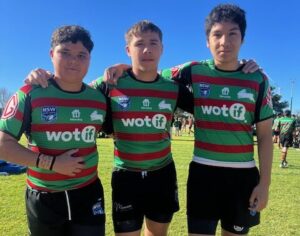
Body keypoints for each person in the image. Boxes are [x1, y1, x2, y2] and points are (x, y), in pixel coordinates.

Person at [103, 4, 273, 236]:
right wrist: (123, 66)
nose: (225, 42)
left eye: (232, 34)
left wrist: (264, 185)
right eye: (217, 35)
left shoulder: (258, 79)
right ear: (207, 41)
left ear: (242, 38)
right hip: (202, 172)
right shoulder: (193, 70)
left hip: (242, 176)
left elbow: (265, 136)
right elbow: (149, 73)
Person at [24, 20, 193, 236]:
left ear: (162, 48)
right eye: (139, 43)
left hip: (163, 174)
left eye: (153, 43)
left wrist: (242, 66)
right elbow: (73, 87)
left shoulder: (173, 88)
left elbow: (203, 100)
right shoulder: (109, 84)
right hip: (126, 175)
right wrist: (41, 76)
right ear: (128, 50)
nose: (147, 49)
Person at [0, 25, 109, 236]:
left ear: (90, 59)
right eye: (65, 53)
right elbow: (3, 145)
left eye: (81, 55)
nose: (73, 61)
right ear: (52, 54)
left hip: (88, 193)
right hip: (44, 197)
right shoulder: (29, 93)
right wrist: (52, 163)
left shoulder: (99, 98)